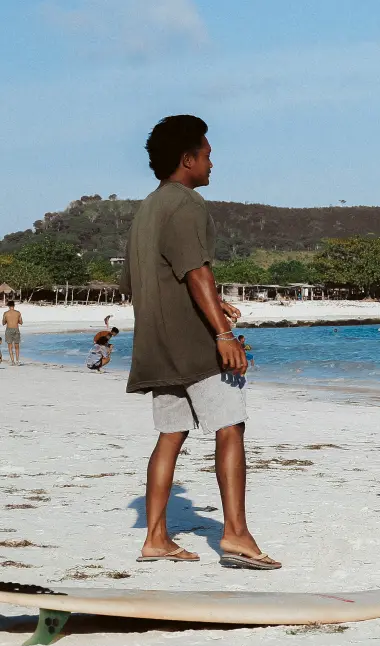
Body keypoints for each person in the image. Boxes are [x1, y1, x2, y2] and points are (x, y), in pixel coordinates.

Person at [121, 114, 277, 569]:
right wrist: (222, 332)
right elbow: (195, 272)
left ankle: (155, 538)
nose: (212, 162)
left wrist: (215, 302)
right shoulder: (187, 205)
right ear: (187, 160)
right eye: (206, 154)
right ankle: (236, 535)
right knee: (231, 428)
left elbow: (143, 282)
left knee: (170, 436)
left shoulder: (145, 211)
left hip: (155, 346)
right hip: (194, 346)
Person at [3, 300, 20, 364]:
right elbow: (21, 322)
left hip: (9, 330)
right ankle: (17, 361)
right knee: (17, 346)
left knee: (10, 346)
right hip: (16, 329)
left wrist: (8, 320)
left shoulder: (5, 313)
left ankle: (12, 361)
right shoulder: (18, 313)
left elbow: (3, 323)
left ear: (9, 306)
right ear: (14, 306)